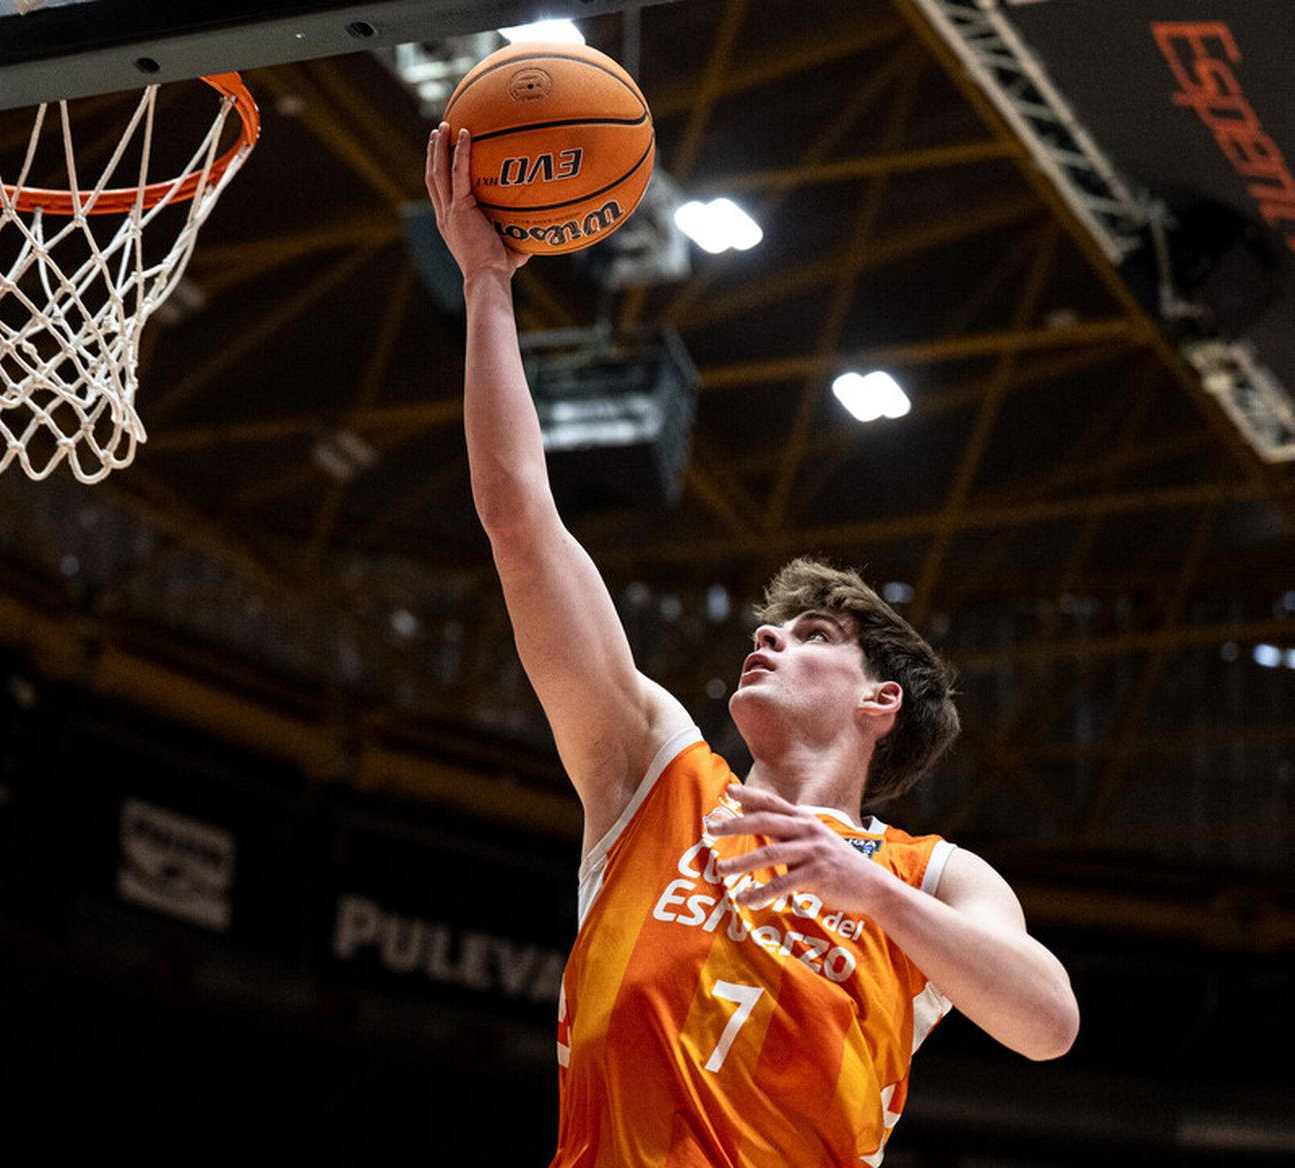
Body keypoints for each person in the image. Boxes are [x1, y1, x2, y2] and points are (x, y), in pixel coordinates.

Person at [425, 124, 1079, 1167]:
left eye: (815, 634)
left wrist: (868, 891)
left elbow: (1047, 1023)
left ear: (880, 703)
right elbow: (519, 521)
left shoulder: (933, 875)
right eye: (774, 624)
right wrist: (489, 286)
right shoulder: (648, 772)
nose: (768, 634)